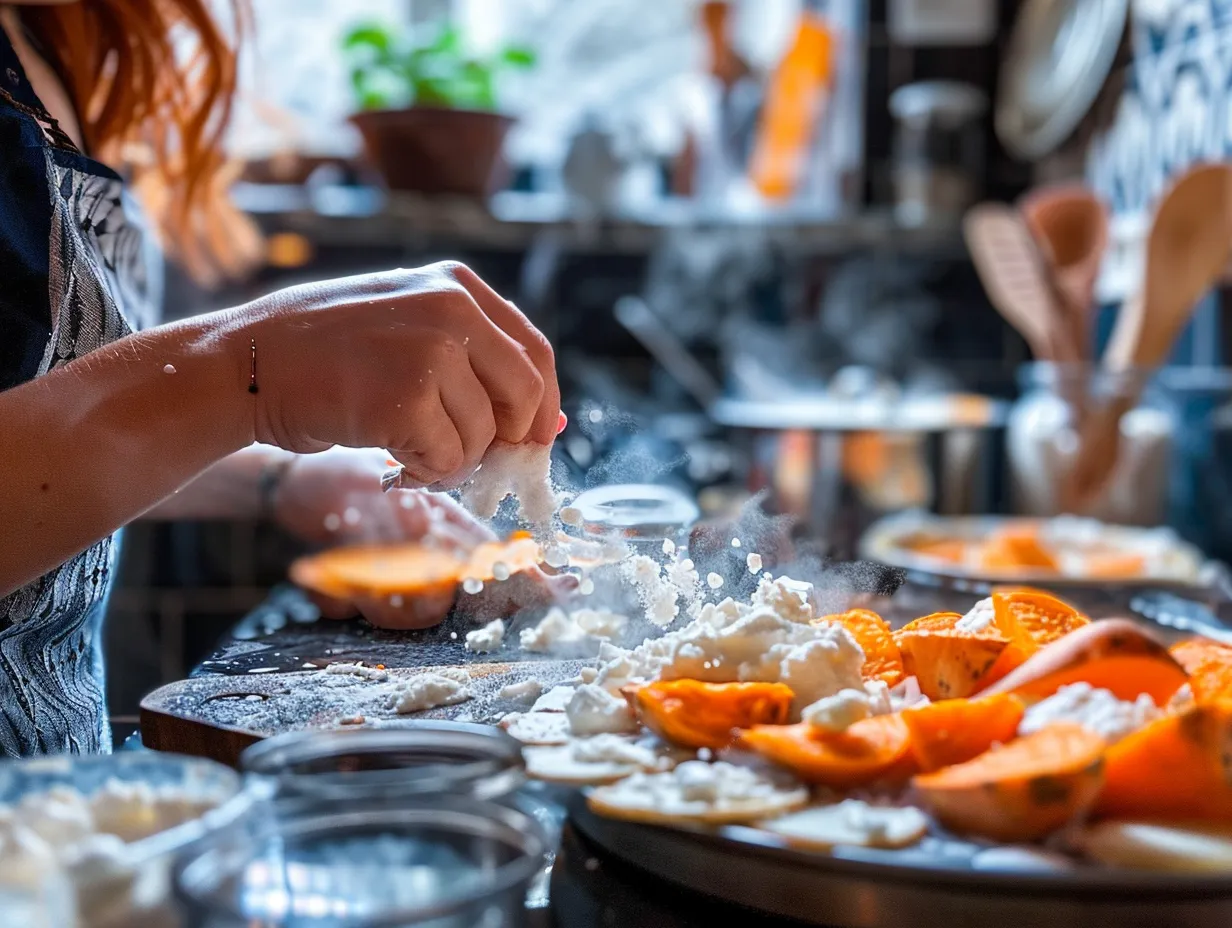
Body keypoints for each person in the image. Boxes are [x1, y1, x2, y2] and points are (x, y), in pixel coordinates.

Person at [0, 1, 561, 757]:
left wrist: (285, 479)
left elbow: (49, 418)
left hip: (61, 808)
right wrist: (246, 372)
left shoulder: (56, 34)